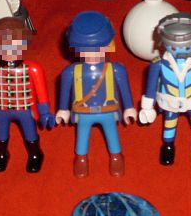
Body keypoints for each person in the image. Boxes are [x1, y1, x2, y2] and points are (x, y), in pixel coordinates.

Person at [138, 13, 191, 166]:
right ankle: (168, 147)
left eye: (186, 46)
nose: (180, 50)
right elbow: (151, 87)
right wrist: (147, 107)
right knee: (169, 125)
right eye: (173, 47)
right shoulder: (158, 64)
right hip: (170, 101)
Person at [56, 11, 137, 177]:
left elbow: (124, 90)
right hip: (83, 112)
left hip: (108, 110)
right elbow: (64, 92)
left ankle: (116, 158)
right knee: (82, 138)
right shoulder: (70, 72)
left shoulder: (116, 69)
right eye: (86, 50)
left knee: (113, 137)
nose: (92, 55)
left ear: (108, 46)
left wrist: (129, 107)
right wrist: (63, 110)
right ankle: (81, 160)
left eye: (97, 49)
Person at [0, 17, 54, 172]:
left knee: (30, 133)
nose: (9, 52)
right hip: (1, 109)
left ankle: (35, 154)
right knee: (1, 135)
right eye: (3, 47)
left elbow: (42, 93)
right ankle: (2, 154)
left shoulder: (32, 68)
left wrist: (45, 113)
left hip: (25, 109)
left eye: (14, 47)